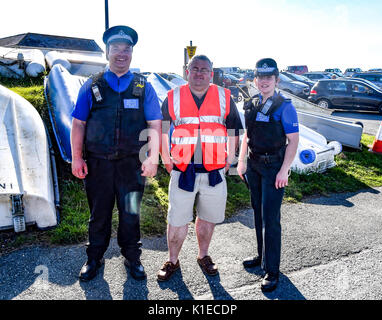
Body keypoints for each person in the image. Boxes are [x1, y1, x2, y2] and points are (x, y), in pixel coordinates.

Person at [71, 25, 162, 281]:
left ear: (131, 52)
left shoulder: (144, 87)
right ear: (107, 52)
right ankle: (94, 258)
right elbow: (78, 124)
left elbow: (155, 125)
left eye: (126, 49)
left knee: (130, 213)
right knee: (98, 214)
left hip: (131, 165)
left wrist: (153, 157)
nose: (121, 54)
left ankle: (132, 258)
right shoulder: (92, 85)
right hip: (98, 165)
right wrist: (77, 157)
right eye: (116, 49)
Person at [157, 55, 243, 281]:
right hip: (183, 170)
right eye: (194, 68)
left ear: (211, 73)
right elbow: (162, 131)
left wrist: (231, 159)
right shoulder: (172, 96)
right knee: (177, 220)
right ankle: (172, 260)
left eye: (204, 69)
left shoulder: (225, 96)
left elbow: (234, 129)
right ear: (187, 71)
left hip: (214, 171)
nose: (199, 73)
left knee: (207, 218)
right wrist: (166, 159)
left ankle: (203, 256)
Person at [237, 58, 299, 292]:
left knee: (271, 219)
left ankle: (272, 271)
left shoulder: (285, 106)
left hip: (274, 168)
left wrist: (284, 169)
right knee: (258, 213)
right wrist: (241, 162)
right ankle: (261, 257)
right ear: (255, 80)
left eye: (269, 78)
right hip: (254, 166)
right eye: (260, 77)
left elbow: (293, 141)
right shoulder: (251, 103)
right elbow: (247, 136)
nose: (264, 81)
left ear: (276, 80)